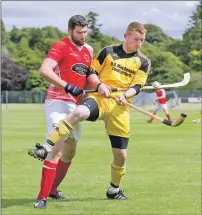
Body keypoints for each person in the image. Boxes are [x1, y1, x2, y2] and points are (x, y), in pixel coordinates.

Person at [33, 21, 151, 209]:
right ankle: (47, 145)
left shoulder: (143, 62)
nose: (139, 43)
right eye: (136, 39)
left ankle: (114, 190)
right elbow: (92, 72)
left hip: (120, 107)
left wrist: (125, 95)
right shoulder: (108, 51)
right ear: (126, 36)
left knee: (121, 155)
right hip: (100, 98)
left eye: (142, 40)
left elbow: (137, 86)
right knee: (79, 112)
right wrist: (100, 85)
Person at [29, 15, 93, 206]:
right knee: (57, 148)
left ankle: (53, 189)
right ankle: (42, 198)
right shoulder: (61, 46)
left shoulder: (89, 50)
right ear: (70, 30)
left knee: (70, 151)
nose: (83, 36)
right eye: (79, 32)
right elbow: (45, 70)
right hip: (57, 101)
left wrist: (103, 87)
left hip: (77, 106)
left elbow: (91, 78)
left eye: (85, 32)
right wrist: (66, 86)